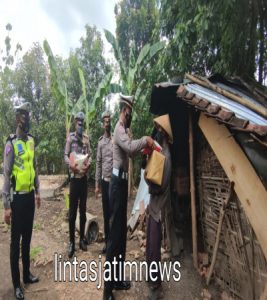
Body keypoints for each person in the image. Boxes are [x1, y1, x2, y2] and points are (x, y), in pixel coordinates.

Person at [103, 94, 154, 300]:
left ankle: (117, 279)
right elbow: (131, 146)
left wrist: (143, 148)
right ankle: (107, 290)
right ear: (124, 110)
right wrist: (145, 140)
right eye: (129, 111)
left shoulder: (125, 131)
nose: (130, 114)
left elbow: (131, 152)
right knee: (114, 238)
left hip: (122, 184)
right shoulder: (118, 129)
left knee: (121, 235)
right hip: (116, 185)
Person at [2, 102, 41, 300]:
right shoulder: (11, 143)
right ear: (18, 119)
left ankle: (26, 274)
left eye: (28, 116)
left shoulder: (31, 141)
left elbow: (34, 168)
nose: (27, 120)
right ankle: (17, 284)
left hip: (29, 199)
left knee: (27, 239)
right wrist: (6, 206)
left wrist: (38, 191)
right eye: (24, 116)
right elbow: (6, 176)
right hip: (16, 201)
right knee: (15, 243)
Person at [145, 114, 173, 299]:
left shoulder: (166, 156)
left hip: (158, 207)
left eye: (160, 130)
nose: (157, 132)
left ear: (164, 134)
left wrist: (149, 182)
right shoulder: (158, 153)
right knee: (149, 246)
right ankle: (151, 277)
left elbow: (160, 186)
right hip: (152, 206)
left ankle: (156, 289)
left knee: (155, 248)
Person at [64, 112, 92, 258]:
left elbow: (90, 155)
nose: (80, 125)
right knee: (73, 212)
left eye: (82, 123)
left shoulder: (86, 139)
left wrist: (88, 166)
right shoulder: (71, 138)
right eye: (78, 122)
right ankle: (71, 243)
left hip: (84, 180)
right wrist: (71, 166)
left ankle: (82, 239)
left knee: (83, 210)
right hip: (74, 179)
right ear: (75, 123)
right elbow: (65, 155)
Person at [95, 111, 113, 254]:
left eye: (109, 121)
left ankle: (114, 242)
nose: (107, 123)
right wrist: (96, 186)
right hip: (105, 182)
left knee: (115, 213)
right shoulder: (100, 142)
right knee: (106, 214)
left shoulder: (116, 140)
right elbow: (98, 164)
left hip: (115, 183)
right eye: (105, 121)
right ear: (103, 125)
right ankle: (107, 243)